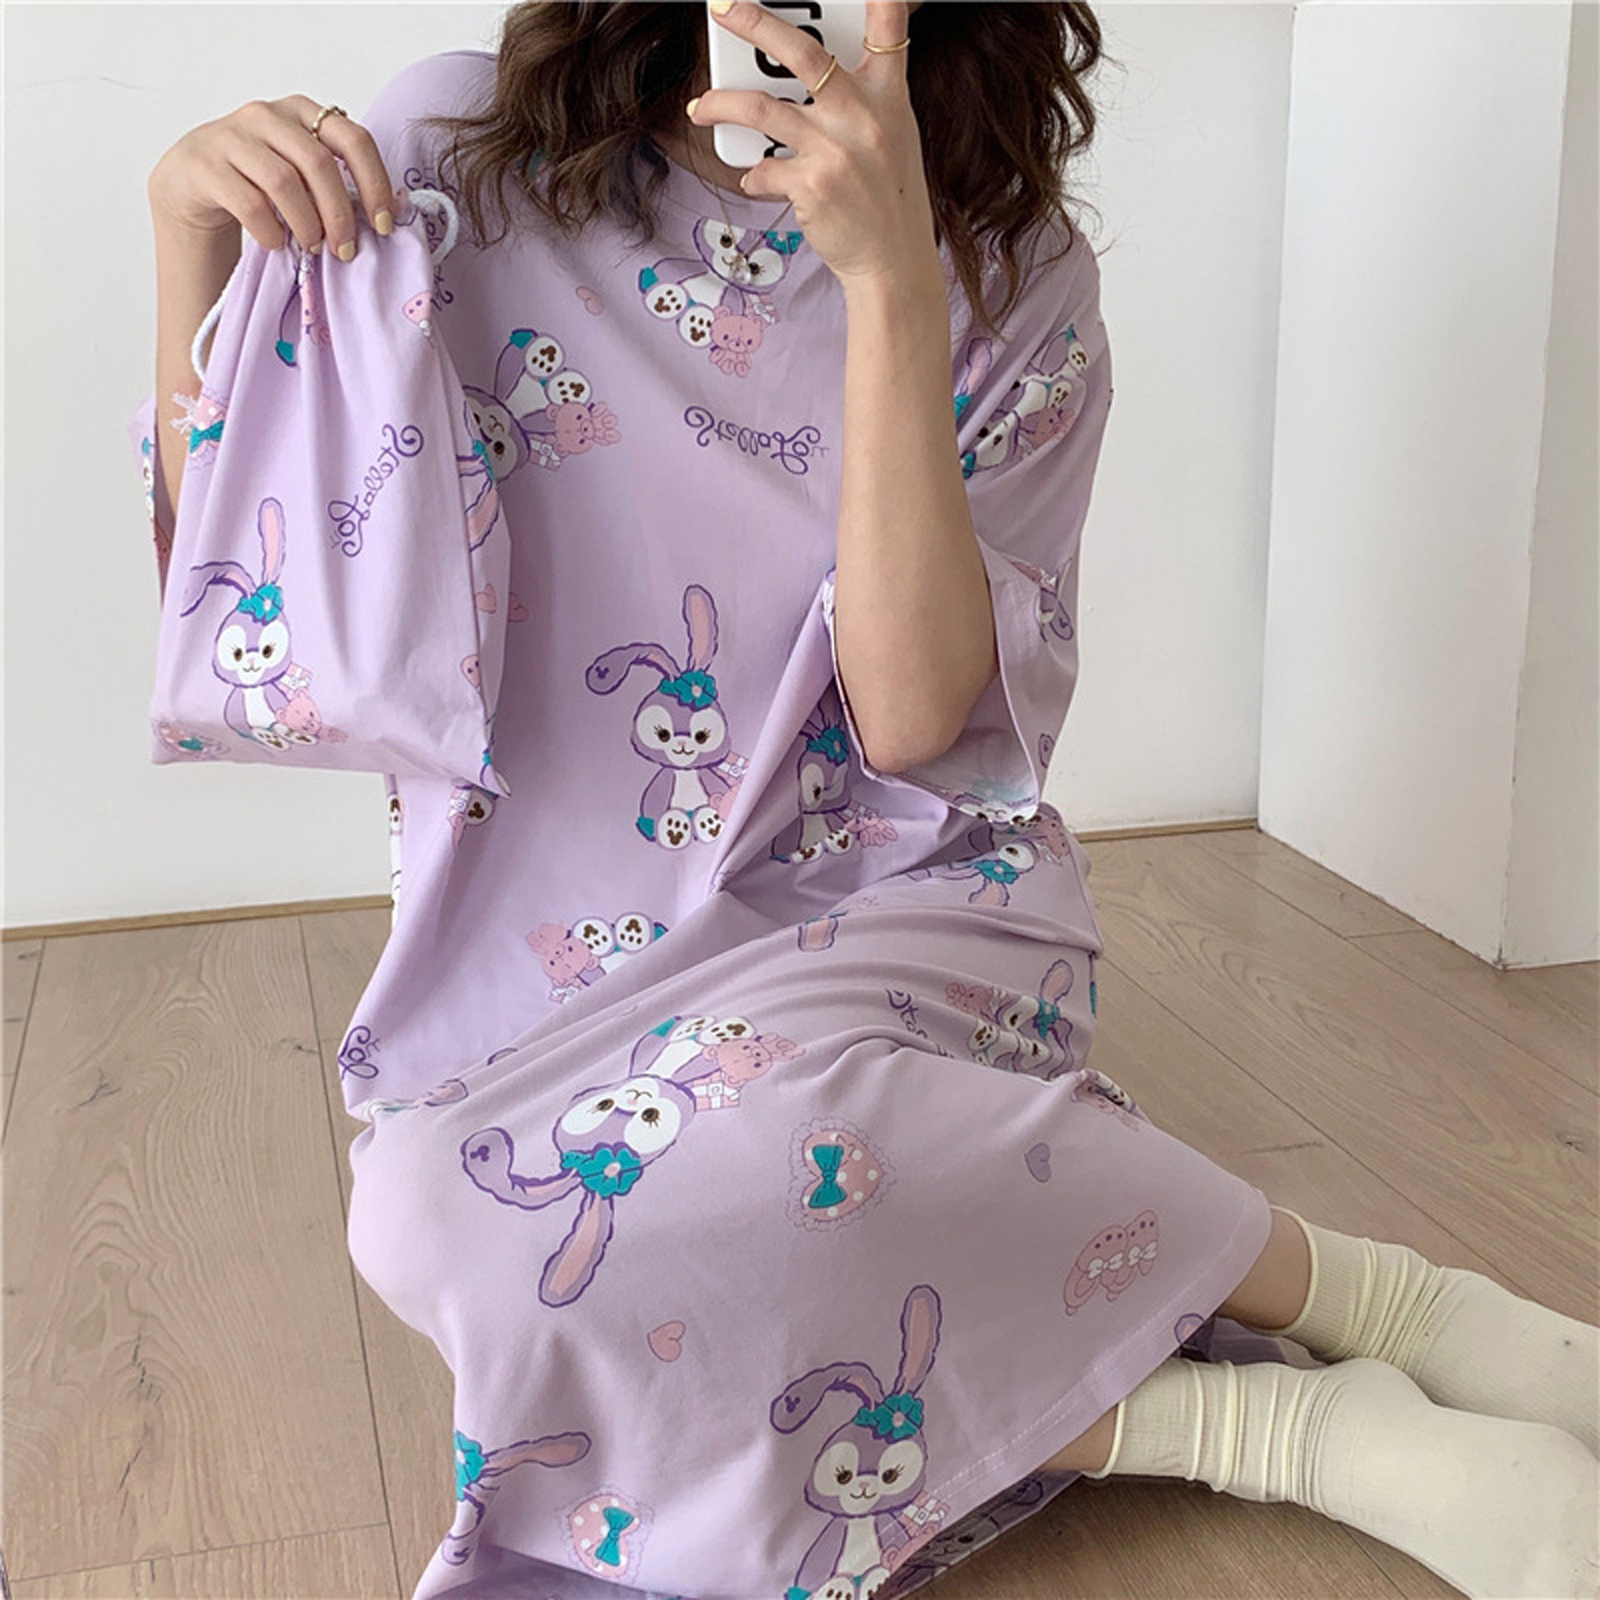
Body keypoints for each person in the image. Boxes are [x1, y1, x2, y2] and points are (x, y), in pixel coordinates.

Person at [131, 5, 1599, 1597]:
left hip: (903, 904)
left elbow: (912, 725)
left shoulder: (1015, 269)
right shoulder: (461, 158)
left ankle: (1381, 1305)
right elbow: (270, 601)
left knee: (750, 1178)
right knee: (437, 1221)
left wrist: (896, 278)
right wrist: (188, 240)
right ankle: (1268, 1422)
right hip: (531, 953)